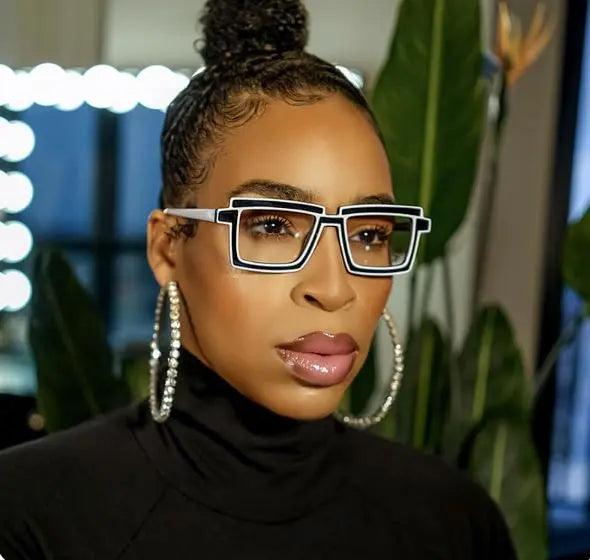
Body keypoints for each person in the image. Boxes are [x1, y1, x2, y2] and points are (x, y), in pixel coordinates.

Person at [0, 0, 518, 558]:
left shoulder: (456, 522)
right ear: (168, 247)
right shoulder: (28, 513)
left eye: (368, 233)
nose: (335, 288)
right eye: (273, 226)